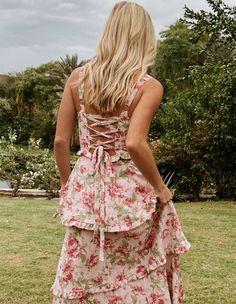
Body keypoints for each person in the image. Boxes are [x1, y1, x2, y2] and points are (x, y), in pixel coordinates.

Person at [50, 1, 191, 303]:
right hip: (130, 195)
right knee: (138, 265)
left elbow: (62, 141)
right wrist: (161, 188)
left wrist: (66, 184)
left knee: (85, 263)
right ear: (144, 37)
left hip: (86, 187)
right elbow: (134, 143)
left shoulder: (77, 78)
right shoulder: (148, 86)